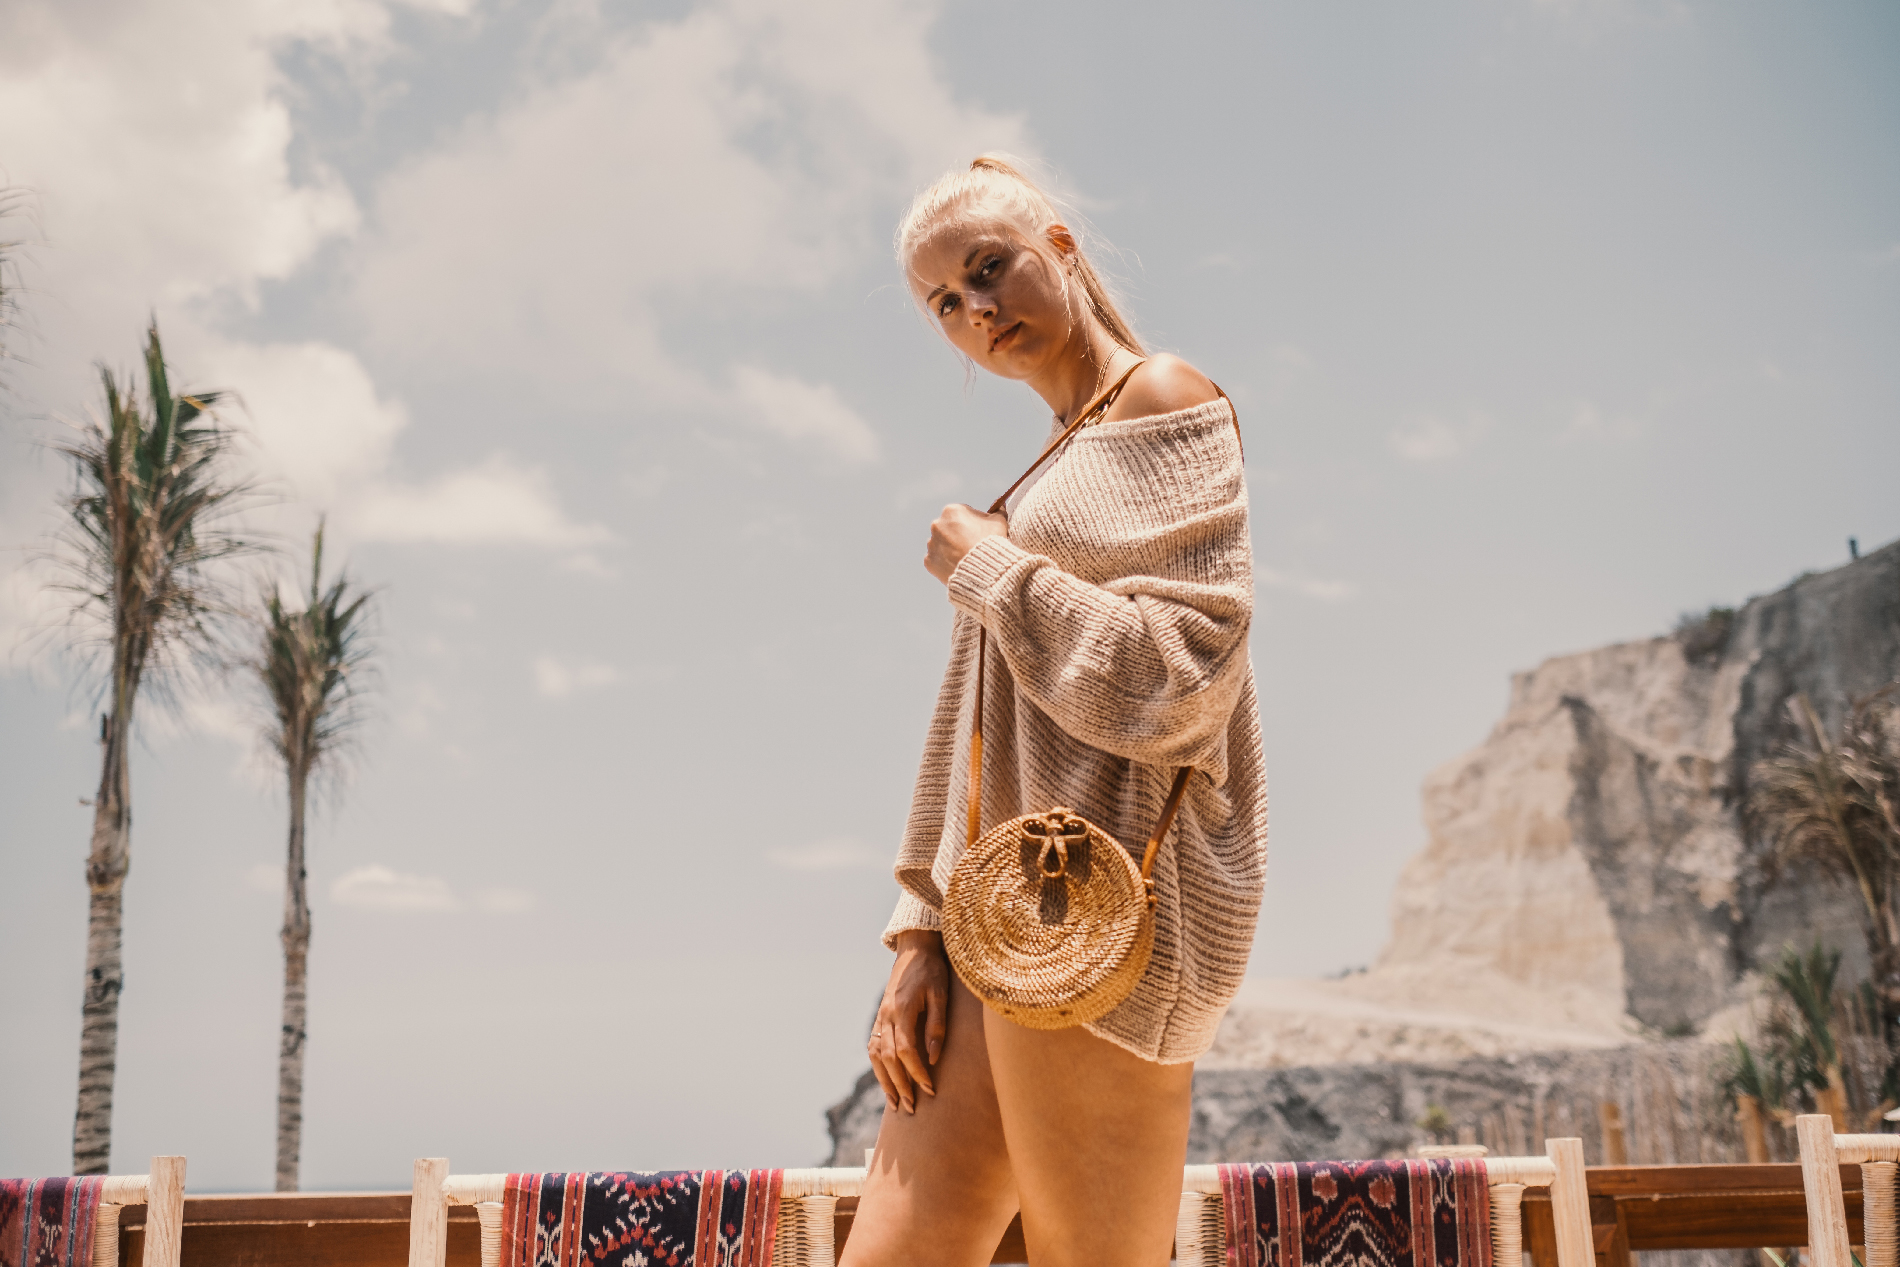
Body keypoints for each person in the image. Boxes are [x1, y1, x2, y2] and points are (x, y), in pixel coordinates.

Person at [839, 157, 1269, 1267]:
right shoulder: (1049, 465)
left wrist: (989, 569)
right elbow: (968, 724)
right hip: (998, 922)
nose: (976, 311)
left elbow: (1181, 682)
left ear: (1064, 250)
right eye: (946, 302)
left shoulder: (1167, 400)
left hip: (1107, 915)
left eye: (990, 269)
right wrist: (920, 932)